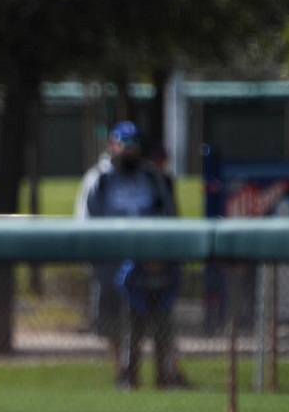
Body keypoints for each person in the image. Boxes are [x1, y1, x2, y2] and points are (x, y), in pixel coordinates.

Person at [74, 121, 188, 390]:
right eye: (124, 145)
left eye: (134, 145)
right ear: (112, 145)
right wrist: (96, 265)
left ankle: (165, 375)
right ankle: (125, 375)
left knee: (160, 324)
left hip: (150, 266)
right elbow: (85, 222)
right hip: (111, 270)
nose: (130, 151)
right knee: (115, 327)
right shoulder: (99, 179)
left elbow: (170, 216)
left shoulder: (151, 177)